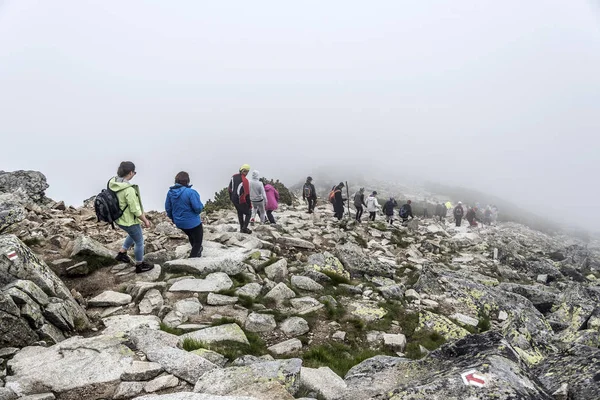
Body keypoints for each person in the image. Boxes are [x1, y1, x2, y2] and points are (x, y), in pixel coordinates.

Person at [110, 161, 154, 273]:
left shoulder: (113, 182)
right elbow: (135, 210)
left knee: (133, 233)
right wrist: (145, 220)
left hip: (118, 218)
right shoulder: (128, 189)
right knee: (139, 241)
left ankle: (122, 253)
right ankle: (140, 265)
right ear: (130, 173)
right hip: (128, 220)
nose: (134, 174)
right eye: (134, 172)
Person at [165, 171, 204, 258]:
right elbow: (197, 208)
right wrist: (201, 207)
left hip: (179, 223)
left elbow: (168, 208)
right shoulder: (191, 192)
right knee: (198, 241)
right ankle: (192, 259)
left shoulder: (170, 193)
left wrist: (173, 219)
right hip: (193, 222)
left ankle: (197, 252)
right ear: (187, 181)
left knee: (191, 235)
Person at [228, 164, 252, 234]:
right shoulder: (245, 181)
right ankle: (244, 228)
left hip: (234, 198)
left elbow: (229, 189)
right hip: (240, 200)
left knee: (240, 212)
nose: (246, 173)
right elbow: (247, 195)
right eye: (246, 171)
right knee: (248, 213)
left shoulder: (233, 176)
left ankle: (241, 227)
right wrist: (249, 205)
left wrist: (231, 198)